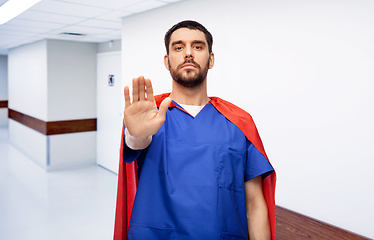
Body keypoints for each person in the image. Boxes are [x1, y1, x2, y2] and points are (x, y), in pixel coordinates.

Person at [114, 20, 276, 240]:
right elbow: (136, 142)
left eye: (197, 47)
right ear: (167, 60)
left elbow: (254, 205)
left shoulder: (239, 122)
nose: (188, 54)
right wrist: (136, 135)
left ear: (210, 60)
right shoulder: (151, 117)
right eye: (178, 47)